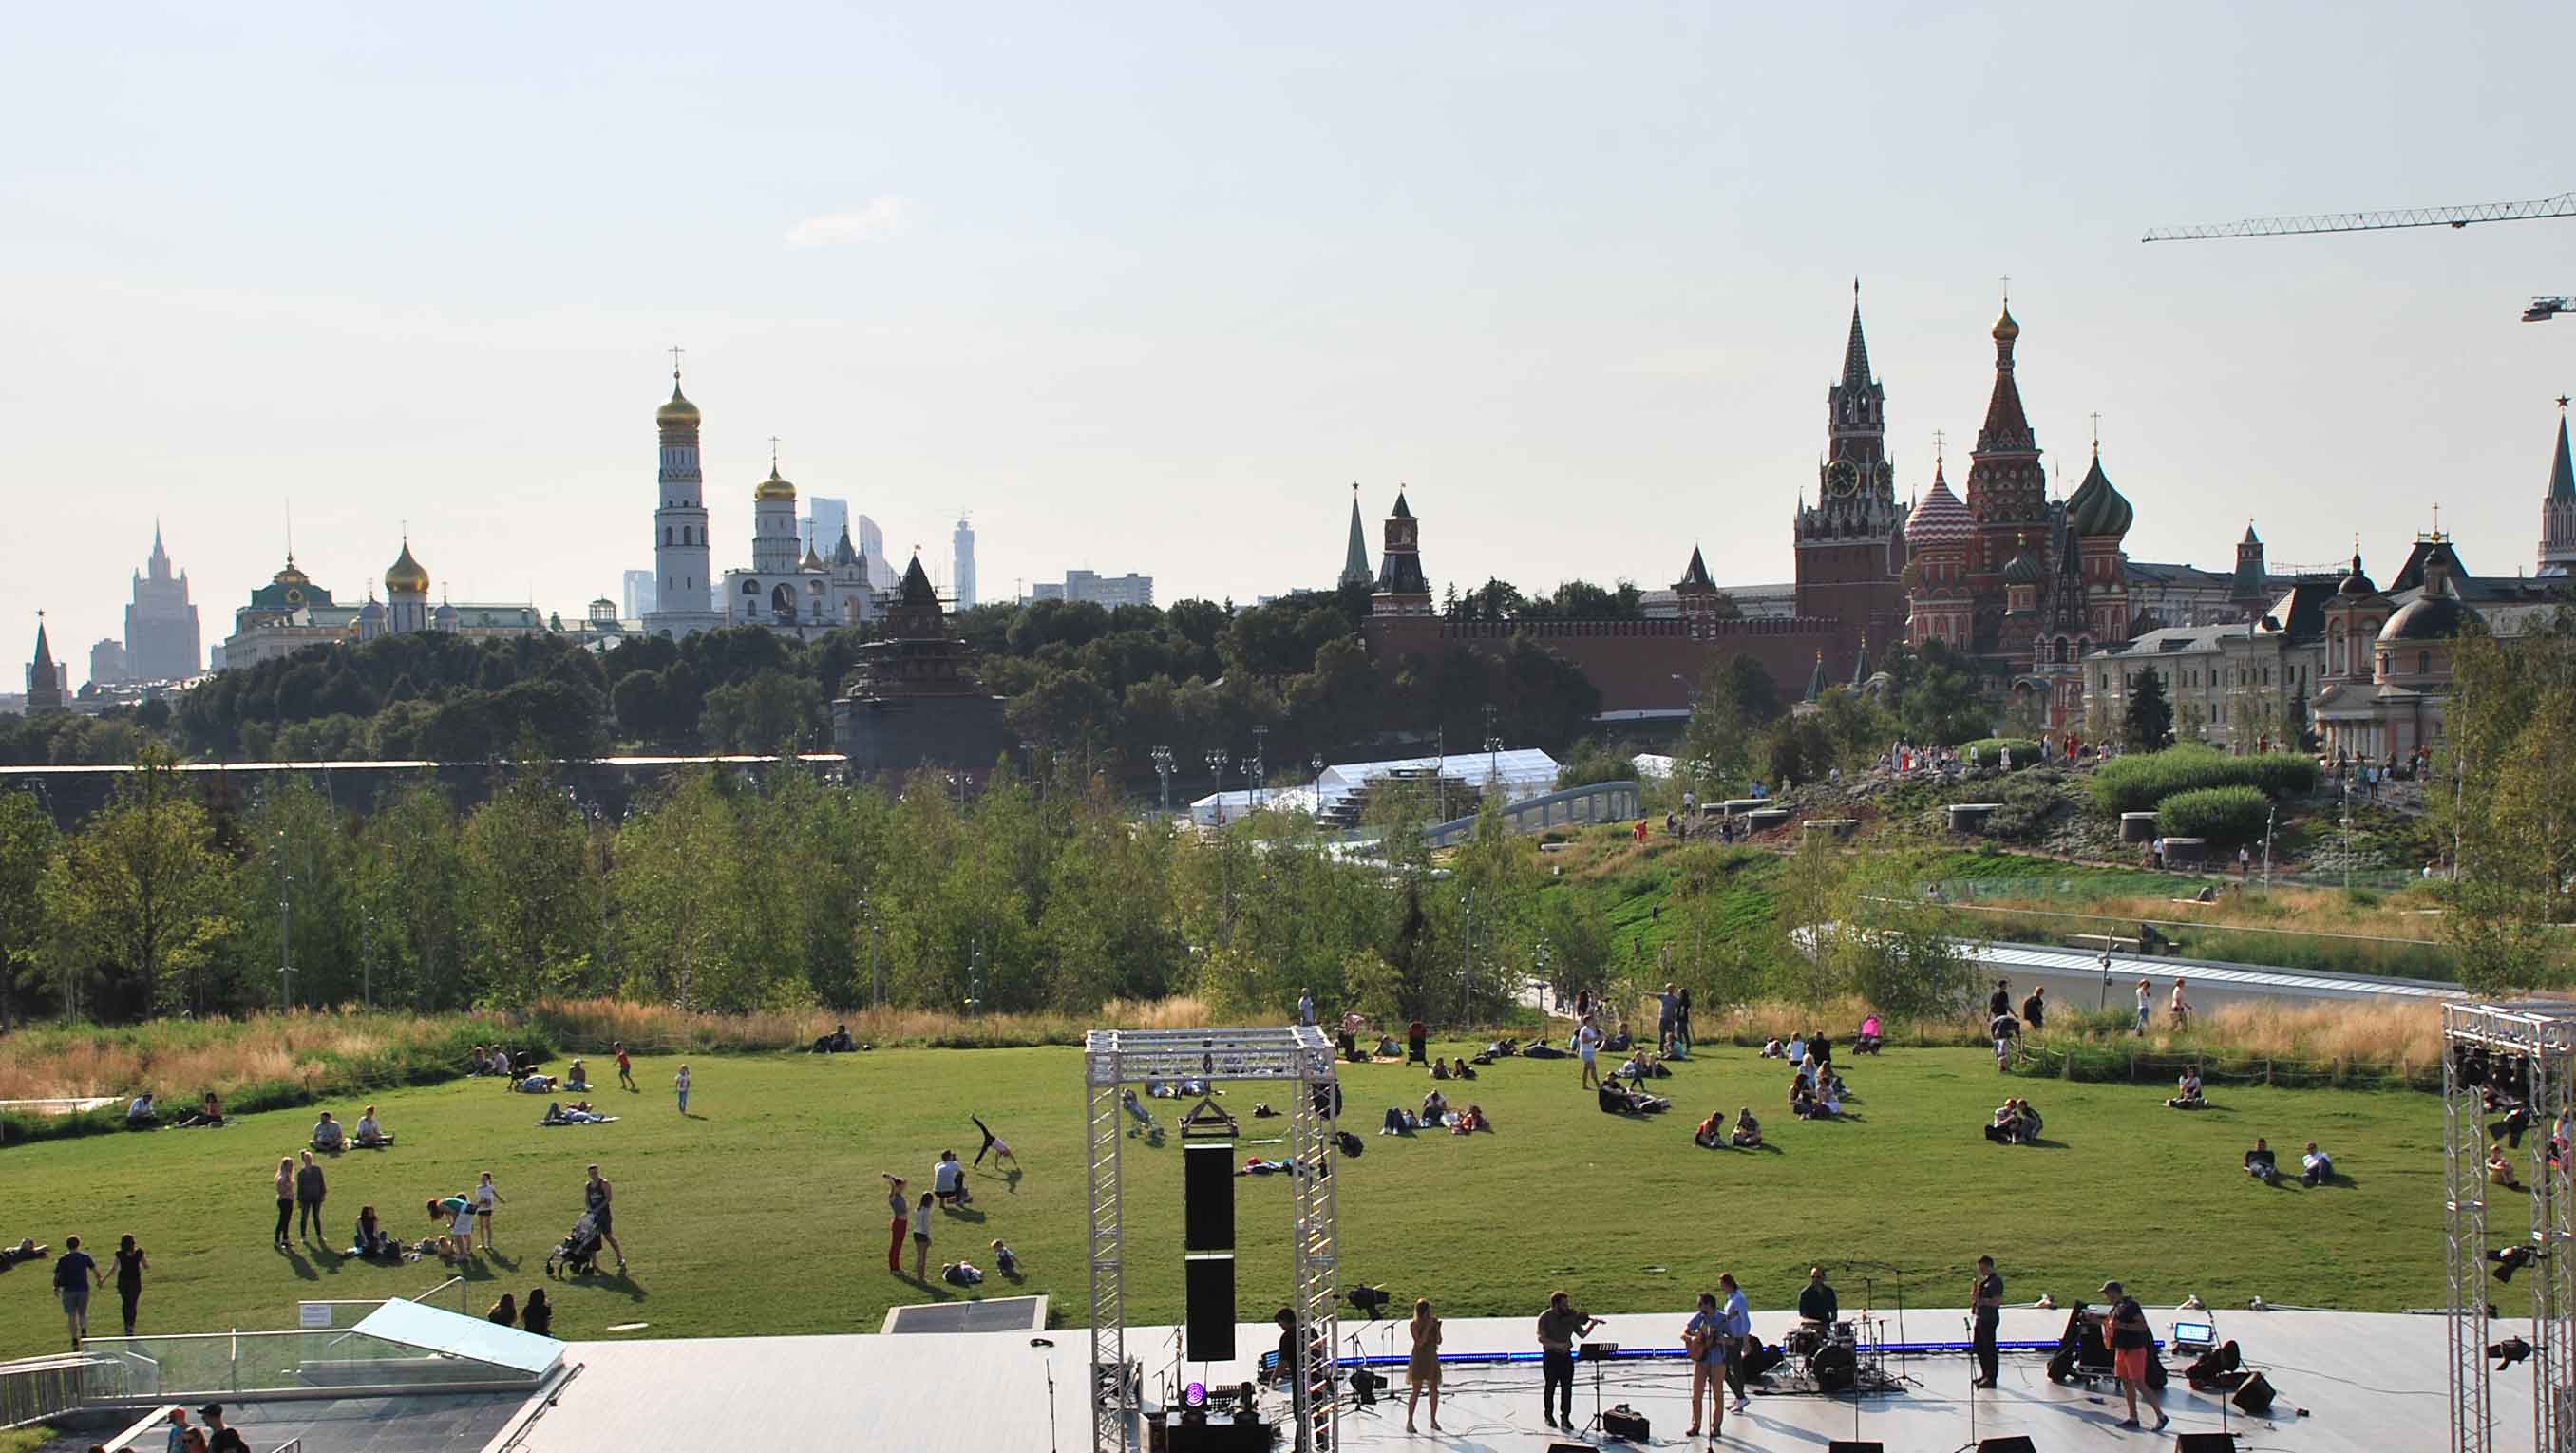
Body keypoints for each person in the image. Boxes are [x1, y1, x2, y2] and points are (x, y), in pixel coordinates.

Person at [2098, 1281, 2166, 1430]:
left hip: (2134, 1350)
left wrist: (2122, 1326)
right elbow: (2111, 1324)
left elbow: (2142, 1326)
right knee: (2126, 1382)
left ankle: (2161, 1416)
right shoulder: (2117, 1307)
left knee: (2139, 1383)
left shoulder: (2131, 1306)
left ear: (2115, 1292)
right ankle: (2133, 1417)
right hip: (2122, 1349)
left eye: (2107, 1293)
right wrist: (2097, 1321)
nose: (2107, 1296)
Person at [1535, 1291, 1599, 1431]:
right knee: (1550, 1386)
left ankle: (1565, 1418)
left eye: (1567, 1304)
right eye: (1564, 1304)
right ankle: (1549, 1416)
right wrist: (1557, 1345)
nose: (1567, 1307)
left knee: (1567, 1388)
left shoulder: (1571, 1317)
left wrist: (1592, 1325)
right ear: (1555, 1304)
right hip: (1551, 1356)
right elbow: (1541, 1337)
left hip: (1566, 1357)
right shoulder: (1545, 1317)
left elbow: (1582, 1334)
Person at [1683, 1290, 1728, 1439]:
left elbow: (1733, 1340)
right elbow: (1685, 1332)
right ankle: (1695, 1425)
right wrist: (1693, 1338)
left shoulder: (1723, 1319)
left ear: (1709, 1305)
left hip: (1717, 1361)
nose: (1699, 1307)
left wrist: (1721, 1340)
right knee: (1696, 1394)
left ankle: (1716, 1427)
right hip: (1701, 1360)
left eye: (1701, 1304)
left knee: (1717, 1395)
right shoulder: (1700, 1317)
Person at [53, 1235, 102, 1349]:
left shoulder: (63, 1259)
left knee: (71, 1315)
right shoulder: (85, 1257)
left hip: (68, 1291)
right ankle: (84, 1332)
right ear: (78, 1244)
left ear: (67, 1246)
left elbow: (57, 1276)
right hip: (83, 1289)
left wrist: (56, 1287)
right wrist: (99, 1280)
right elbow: (95, 1271)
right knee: (82, 1313)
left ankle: (74, 1339)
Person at [1405, 1297, 1444, 1433]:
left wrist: (1437, 1329)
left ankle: (1433, 1420)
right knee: (1416, 1390)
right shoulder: (1414, 1325)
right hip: (1419, 1358)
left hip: (1431, 1357)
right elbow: (1420, 1342)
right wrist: (1427, 1327)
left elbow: (1439, 1341)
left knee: (1434, 1389)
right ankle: (1410, 1421)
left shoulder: (1433, 1322)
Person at [1717, 1272, 1752, 1411]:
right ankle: (1739, 1398)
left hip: (1736, 1338)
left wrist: (1745, 1339)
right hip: (1732, 1336)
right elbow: (1732, 1316)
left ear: (1728, 1284)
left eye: (1722, 1285)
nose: (1721, 1288)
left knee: (1725, 1369)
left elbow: (1745, 1319)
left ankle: (1741, 1397)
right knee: (1736, 1369)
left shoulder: (1739, 1299)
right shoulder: (1731, 1297)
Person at [583, 1164, 625, 1272]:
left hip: (604, 1215)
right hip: (593, 1216)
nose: (594, 1175)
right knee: (592, 1239)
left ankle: (620, 1258)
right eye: (592, 1173)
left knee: (608, 1236)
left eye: (595, 1172)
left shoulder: (604, 1183)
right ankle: (594, 1264)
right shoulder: (588, 1185)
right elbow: (587, 1199)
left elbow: (608, 1198)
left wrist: (598, 1209)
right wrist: (589, 1209)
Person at [1970, 1255, 2004, 1387]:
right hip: (1981, 1317)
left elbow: (1997, 1302)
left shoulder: (1995, 1282)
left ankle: (1991, 1378)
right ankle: (1985, 1374)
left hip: (1989, 1318)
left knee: (1989, 1349)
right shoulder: (1985, 1281)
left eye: (1983, 1268)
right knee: (1980, 1347)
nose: (1981, 1271)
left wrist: (1982, 1301)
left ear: (1990, 1266)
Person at [113, 1234, 147, 1337]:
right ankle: (131, 1326)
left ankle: (126, 1325)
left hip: (123, 1282)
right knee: (133, 1304)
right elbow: (146, 1265)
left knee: (125, 1303)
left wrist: (103, 1279)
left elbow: (114, 1268)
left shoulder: (119, 1254)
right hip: (135, 1282)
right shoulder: (139, 1253)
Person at [294, 1150, 327, 1240]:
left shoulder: (317, 1170)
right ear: (303, 1160)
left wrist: (323, 1193)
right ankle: (303, 1236)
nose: (308, 1160)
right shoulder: (301, 1173)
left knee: (316, 1216)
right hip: (305, 1198)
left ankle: (319, 1235)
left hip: (317, 1196)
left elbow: (321, 1182)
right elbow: (300, 1187)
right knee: (304, 1217)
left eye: (309, 1158)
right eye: (307, 1159)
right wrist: (299, 1200)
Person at [884, 1175, 911, 1274]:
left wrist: (893, 1178)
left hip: (903, 1223)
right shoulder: (892, 1196)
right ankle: (893, 1268)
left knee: (899, 1246)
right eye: (901, 1187)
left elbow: (906, 1181)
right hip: (898, 1223)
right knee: (895, 1246)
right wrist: (892, 1182)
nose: (903, 1188)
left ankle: (897, 1267)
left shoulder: (899, 1195)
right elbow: (893, 1188)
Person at [474, 1172, 506, 1250]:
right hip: (480, 1208)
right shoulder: (478, 1188)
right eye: (482, 1179)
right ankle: (483, 1244)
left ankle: (489, 1244)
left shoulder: (490, 1187)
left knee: (487, 1226)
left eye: (484, 1179)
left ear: (488, 1180)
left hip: (488, 1208)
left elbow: (496, 1195)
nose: (482, 1180)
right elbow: (478, 1198)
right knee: (481, 1226)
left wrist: (501, 1200)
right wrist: (478, 1204)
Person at [912, 1191, 935, 1279]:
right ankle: (921, 1277)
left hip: (916, 1233)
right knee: (923, 1257)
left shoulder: (918, 1209)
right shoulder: (926, 1211)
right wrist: (929, 1238)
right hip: (922, 1235)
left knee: (919, 1256)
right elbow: (926, 1226)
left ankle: (918, 1275)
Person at [273, 1157, 295, 1250]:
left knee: (287, 1220)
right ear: (285, 1166)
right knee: (282, 1221)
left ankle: (285, 1239)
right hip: (284, 1200)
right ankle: (277, 1241)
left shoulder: (287, 1175)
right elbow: (281, 1189)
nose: (291, 1167)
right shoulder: (283, 1176)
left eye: (292, 1165)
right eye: (289, 1165)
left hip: (289, 1200)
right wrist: (288, 1186)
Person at [1576, 1016, 1603, 1089]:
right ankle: (1598, 1085)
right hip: (1586, 1052)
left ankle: (1584, 1086)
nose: (1593, 1021)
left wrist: (1598, 1038)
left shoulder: (1589, 1029)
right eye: (1591, 1020)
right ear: (1587, 1021)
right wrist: (1595, 1038)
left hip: (1589, 1051)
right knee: (1593, 1069)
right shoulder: (1585, 1029)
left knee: (1586, 1069)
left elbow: (1591, 1039)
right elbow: (1584, 1041)